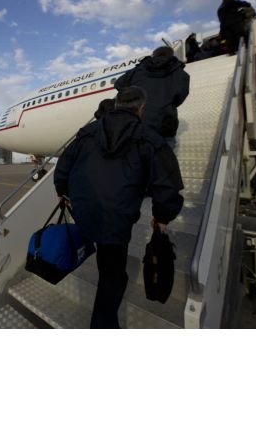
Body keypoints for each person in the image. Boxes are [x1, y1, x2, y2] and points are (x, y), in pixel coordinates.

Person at [54, 86, 183, 328]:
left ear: (116, 104)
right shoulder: (148, 138)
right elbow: (168, 184)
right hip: (117, 219)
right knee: (113, 275)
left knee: (103, 256)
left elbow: (63, 167)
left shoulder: (87, 133)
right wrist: (162, 216)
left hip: (86, 212)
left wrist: (62, 191)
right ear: (141, 108)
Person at [114, 46, 190, 144]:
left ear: (154, 54)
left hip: (135, 122)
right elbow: (180, 97)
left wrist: (133, 97)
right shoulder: (181, 74)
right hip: (163, 126)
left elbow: (118, 84)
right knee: (163, 156)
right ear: (171, 55)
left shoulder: (137, 70)